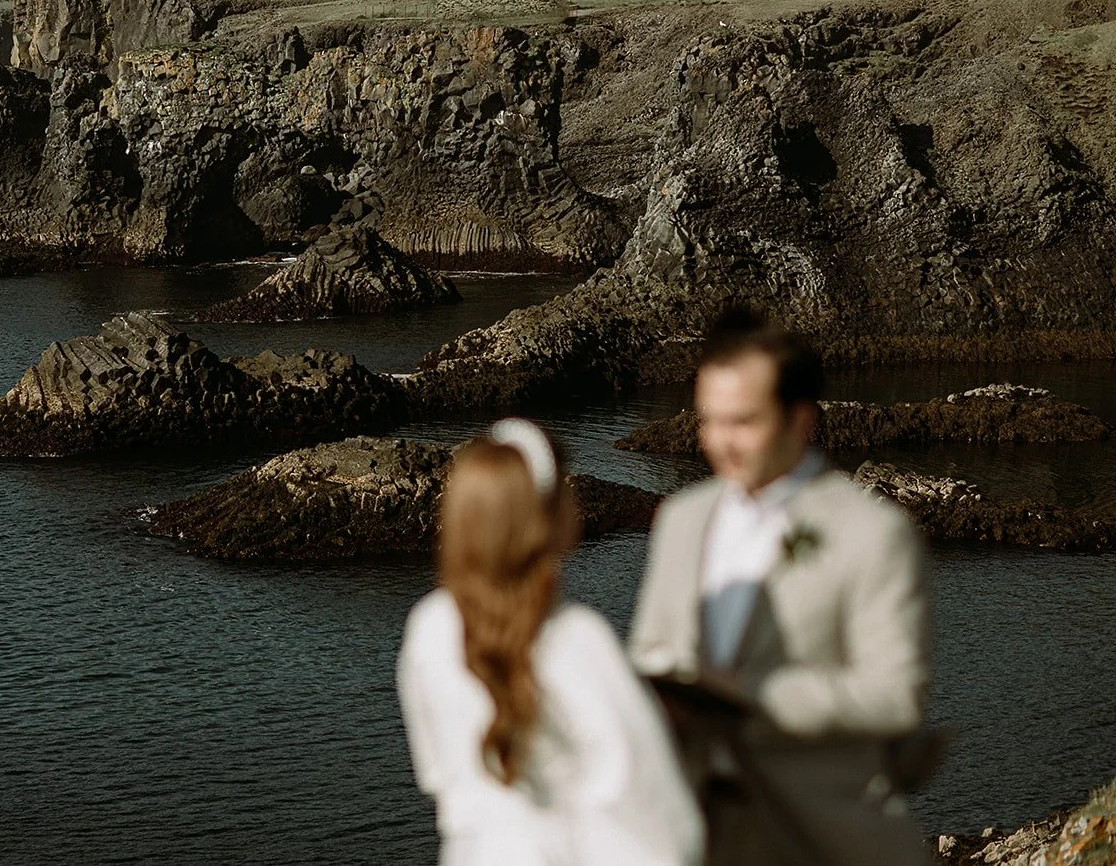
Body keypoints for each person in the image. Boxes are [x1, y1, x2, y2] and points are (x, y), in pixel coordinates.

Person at [628, 307, 933, 866]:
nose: (721, 442)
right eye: (708, 421)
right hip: (697, 836)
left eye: (742, 421)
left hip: (827, 837)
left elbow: (897, 696)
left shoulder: (873, 532)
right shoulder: (680, 518)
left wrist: (746, 692)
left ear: (800, 420)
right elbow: (652, 650)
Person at [397, 418, 704, 866]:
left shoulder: (428, 628)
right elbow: (652, 800)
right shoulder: (573, 640)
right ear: (546, 517)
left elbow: (435, 771)